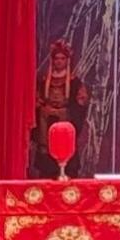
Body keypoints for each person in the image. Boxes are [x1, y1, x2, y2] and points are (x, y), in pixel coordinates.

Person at [33, 39, 90, 179]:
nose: (59, 61)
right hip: (46, 119)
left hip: (65, 119)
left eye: (62, 58)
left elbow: (81, 102)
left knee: (65, 144)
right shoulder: (43, 80)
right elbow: (37, 100)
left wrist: (75, 108)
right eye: (56, 58)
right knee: (45, 148)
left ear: (67, 60)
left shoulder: (74, 82)